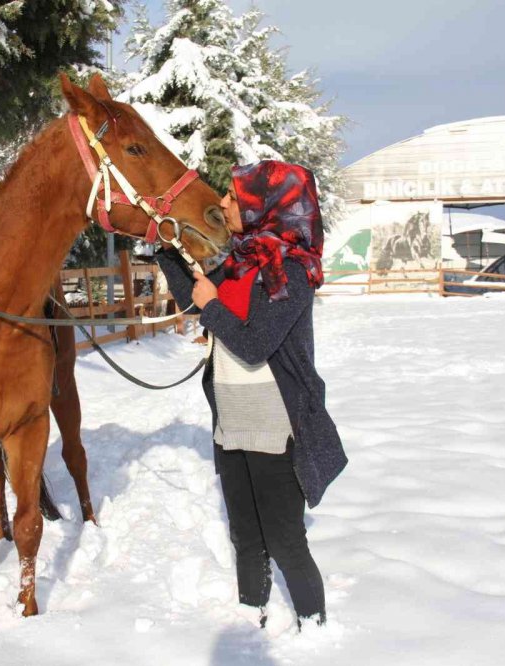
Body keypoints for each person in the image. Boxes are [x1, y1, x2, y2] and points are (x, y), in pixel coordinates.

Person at [154, 160, 347, 630]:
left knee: (284, 539)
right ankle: (250, 613)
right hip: (232, 421)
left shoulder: (291, 273)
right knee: (245, 534)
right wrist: (161, 251)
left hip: (275, 425)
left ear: (266, 208)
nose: (222, 204)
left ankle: (314, 626)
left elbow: (255, 341)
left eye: (234, 198)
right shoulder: (242, 262)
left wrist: (211, 306)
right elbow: (192, 298)